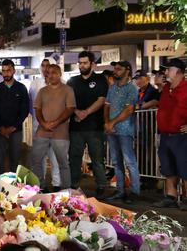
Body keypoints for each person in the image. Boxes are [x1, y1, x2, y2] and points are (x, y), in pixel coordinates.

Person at [67, 51, 108, 197]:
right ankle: (74, 185)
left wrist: (86, 112)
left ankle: (102, 185)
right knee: (74, 157)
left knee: (97, 158)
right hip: (76, 127)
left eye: (85, 63)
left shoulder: (100, 79)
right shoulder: (72, 81)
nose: (82, 65)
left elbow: (101, 100)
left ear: (92, 64)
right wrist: (77, 111)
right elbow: (68, 101)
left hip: (94, 127)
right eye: (80, 63)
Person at [32, 64, 75, 190]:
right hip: (42, 132)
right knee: (36, 161)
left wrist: (56, 122)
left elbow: (70, 109)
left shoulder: (68, 90)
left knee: (63, 163)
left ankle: (66, 190)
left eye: (54, 72)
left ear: (60, 73)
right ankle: (38, 187)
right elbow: (37, 109)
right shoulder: (42, 91)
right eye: (49, 73)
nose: (51, 75)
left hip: (60, 133)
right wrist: (43, 123)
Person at [104, 60, 140, 204]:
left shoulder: (131, 88)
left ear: (127, 70)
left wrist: (111, 123)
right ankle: (120, 190)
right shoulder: (112, 88)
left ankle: (134, 192)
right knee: (117, 162)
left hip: (125, 130)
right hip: (112, 130)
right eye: (115, 68)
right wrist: (107, 123)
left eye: (119, 68)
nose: (116, 70)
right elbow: (106, 105)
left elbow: (129, 110)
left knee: (129, 162)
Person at [153, 58, 187, 209]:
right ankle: (171, 197)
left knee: (184, 167)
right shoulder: (167, 88)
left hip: (181, 136)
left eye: (168, 69)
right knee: (168, 168)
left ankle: (185, 199)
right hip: (166, 135)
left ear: (178, 71)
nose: (166, 72)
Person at [0, 59, 30, 174]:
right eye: (3, 71)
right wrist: (0, 128)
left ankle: (14, 186)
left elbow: (24, 110)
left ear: (13, 71)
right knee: (0, 160)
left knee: (15, 160)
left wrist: (13, 127)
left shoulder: (21, 88)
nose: (6, 73)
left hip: (16, 130)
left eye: (8, 70)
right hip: (0, 131)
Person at [29, 59, 61, 190]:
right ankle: (39, 185)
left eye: (48, 66)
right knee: (39, 158)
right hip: (39, 126)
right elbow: (31, 106)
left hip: (56, 128)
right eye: (42, 65)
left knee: (55, 158)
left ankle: (57, 184)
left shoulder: (62, 84)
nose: (45, 68)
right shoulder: (35, 84)